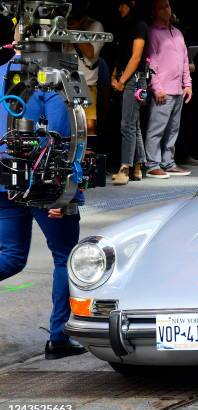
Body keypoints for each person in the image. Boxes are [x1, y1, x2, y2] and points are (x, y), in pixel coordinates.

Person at [0, 20, 85, 360]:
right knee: (66, 257)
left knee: (10, 257)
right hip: (42, 183)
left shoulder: (4, 72)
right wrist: (65, 191)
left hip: (5, 177)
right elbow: (63, 138)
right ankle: (59, 337)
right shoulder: (55, 78)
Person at [144, 0, 193, 179]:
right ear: (154, 12)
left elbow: (185, 60)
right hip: (163, 89)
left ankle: (168, 162)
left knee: (173, 129)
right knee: (156, 129)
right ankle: (152, 164)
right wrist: (156, 88)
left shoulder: (178, 33)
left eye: (168, 5)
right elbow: (151, 63)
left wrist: (187, 84)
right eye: (162, 7)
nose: (167, 9)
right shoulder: (153, 33)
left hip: (177, 90)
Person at [111, 0, 148, 185]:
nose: (119, 8)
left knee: (127, 125)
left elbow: (136, 57)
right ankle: (139, 166)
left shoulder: (140, 25)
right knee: (134, 124)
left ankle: (125, 169)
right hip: (127, 77)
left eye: (122, 4)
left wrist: (122, 81)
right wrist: (114, 75)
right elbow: (123, 54)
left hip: (134, 79)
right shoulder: (125, 26)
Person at [64, 0, 104, 140]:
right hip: (64, 81)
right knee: (66, 123)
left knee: (88, 126)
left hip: (86, 82)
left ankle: (88, 158)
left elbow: (91, 54)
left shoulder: (95, 25)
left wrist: (75, 30)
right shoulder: (61, 23)